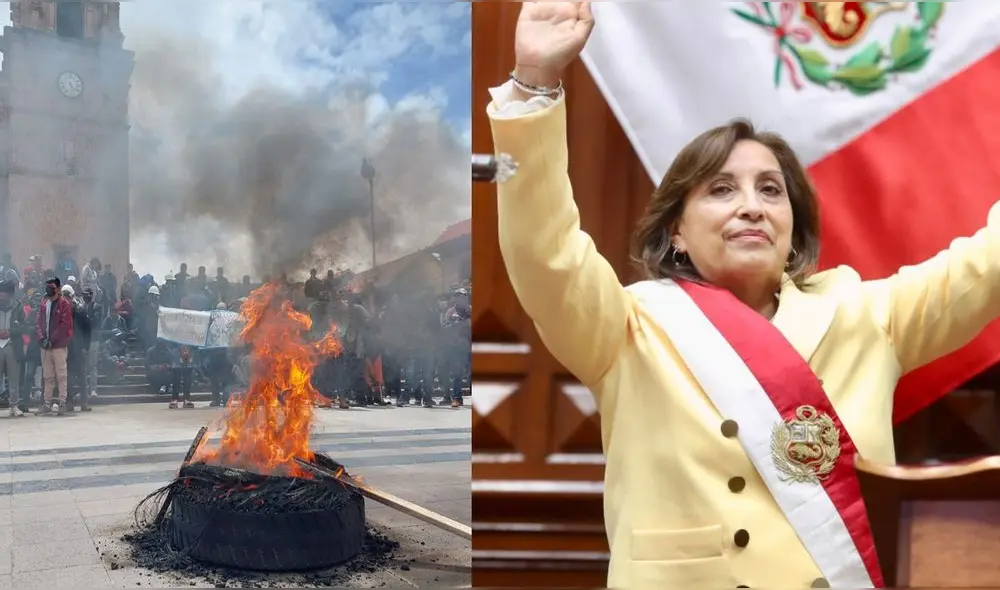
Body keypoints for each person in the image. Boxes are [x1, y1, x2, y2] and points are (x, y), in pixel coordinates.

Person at [490, 3, 1000, 588]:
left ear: (793, 228)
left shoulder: (869, 315)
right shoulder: (627, 326)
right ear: (676, 231)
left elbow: (988, 265)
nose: (751, 206)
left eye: (771, 190)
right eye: (721, 190)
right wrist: (534, 82)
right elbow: (543, 247)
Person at [35, 277, 72, 415]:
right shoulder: (44, 303)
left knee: (61, 375)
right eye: (47, 286)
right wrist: (42, 338)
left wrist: (52, 339)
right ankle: (47, 403)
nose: (48, 289)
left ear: (58, 288)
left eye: (51, 287)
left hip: (59, 346)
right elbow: (38, 323)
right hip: (46, 346)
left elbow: (65, 324)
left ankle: (62, 403)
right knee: (47, 376)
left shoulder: (64, 304)